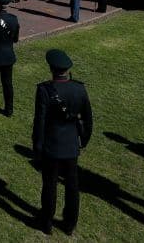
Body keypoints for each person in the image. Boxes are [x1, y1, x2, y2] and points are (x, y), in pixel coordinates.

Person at [33, 49, 93, 235]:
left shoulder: (44, 90)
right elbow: (88, 119)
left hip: (52, 146)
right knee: (72, 187)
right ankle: (69, 224)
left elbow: (40, 121)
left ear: (51, 68)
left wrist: (38, 146)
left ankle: (47, 221)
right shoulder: (79, 89)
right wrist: (83, 140)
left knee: (49, 186)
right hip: (71, 146)